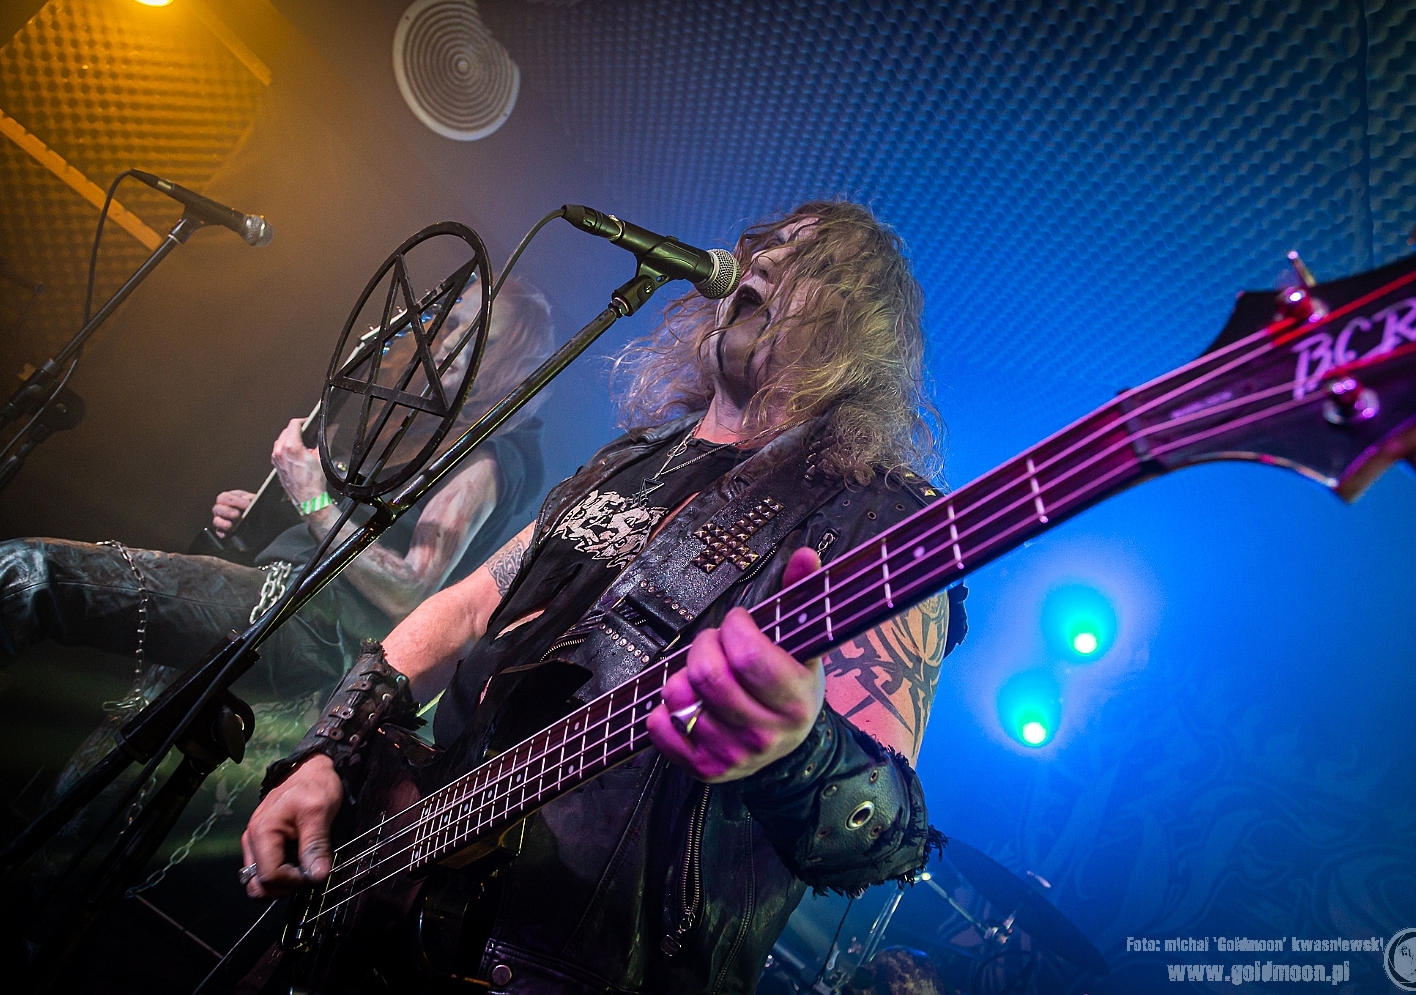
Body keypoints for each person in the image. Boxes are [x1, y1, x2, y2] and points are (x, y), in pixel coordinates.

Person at [244, 202, 970, 994]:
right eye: (767, 241)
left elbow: (886, 831)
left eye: (808, 260)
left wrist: (798, 750)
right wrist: (330, 753)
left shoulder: (876, 517)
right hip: (396, 902)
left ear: (854, 329)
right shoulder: (629, 459)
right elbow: (468, 607)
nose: (763, 256)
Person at [0, 274, 553, 733]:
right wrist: (270, 512)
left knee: (32, 575)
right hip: (277, 600)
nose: (451, 342)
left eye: (481, 337)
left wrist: (310, 497)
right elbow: (341, 530)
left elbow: (410, 590)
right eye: (453, 324)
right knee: (108, 764)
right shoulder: (419, 429)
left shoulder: (487, 458)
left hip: (306, 624)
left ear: (512, 364)